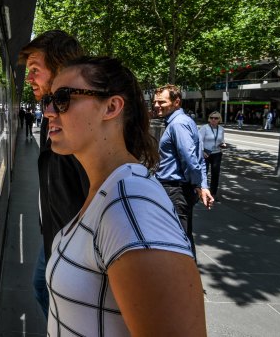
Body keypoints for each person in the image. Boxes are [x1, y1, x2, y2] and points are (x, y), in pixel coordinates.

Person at [44, 56, 206, 336]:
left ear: (111, 107)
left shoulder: (131, 202)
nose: (48, 111)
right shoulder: (109, 190)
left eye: (62, 98)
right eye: (48, 100)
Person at [18, 30, 88, 317]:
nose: (29, 78)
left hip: (73, 242)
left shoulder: (79, 121)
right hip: (56, 232)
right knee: (41, 287)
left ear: (61, 69)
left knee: (55, 299)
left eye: (35, 70)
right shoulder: (52, 114)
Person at [154, 84, 213, 257]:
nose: (157, 105)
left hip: (175, 190)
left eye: (161, 102)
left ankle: (187, 281)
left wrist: (198, 184)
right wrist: (202, 184)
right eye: (155, 102)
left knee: (179, 240)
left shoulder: (178, 124)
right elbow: (198, 156)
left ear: (176, 102)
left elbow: (190, 159)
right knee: (180, 237)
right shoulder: (184, 121)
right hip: (177, 189)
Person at [199, 111, 227, 199]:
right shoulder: (204, 128)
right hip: (206, 154)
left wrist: (223, 144)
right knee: (204, 173)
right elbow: (199, 141)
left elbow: (221, 140)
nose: (213, 120)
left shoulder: (221, 129)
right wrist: (202, 152)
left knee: (215, 174)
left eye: (216, 118)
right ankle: (202, 192)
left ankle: (213, 194)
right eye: (211, 118)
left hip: (217, 153)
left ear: (219, 119)